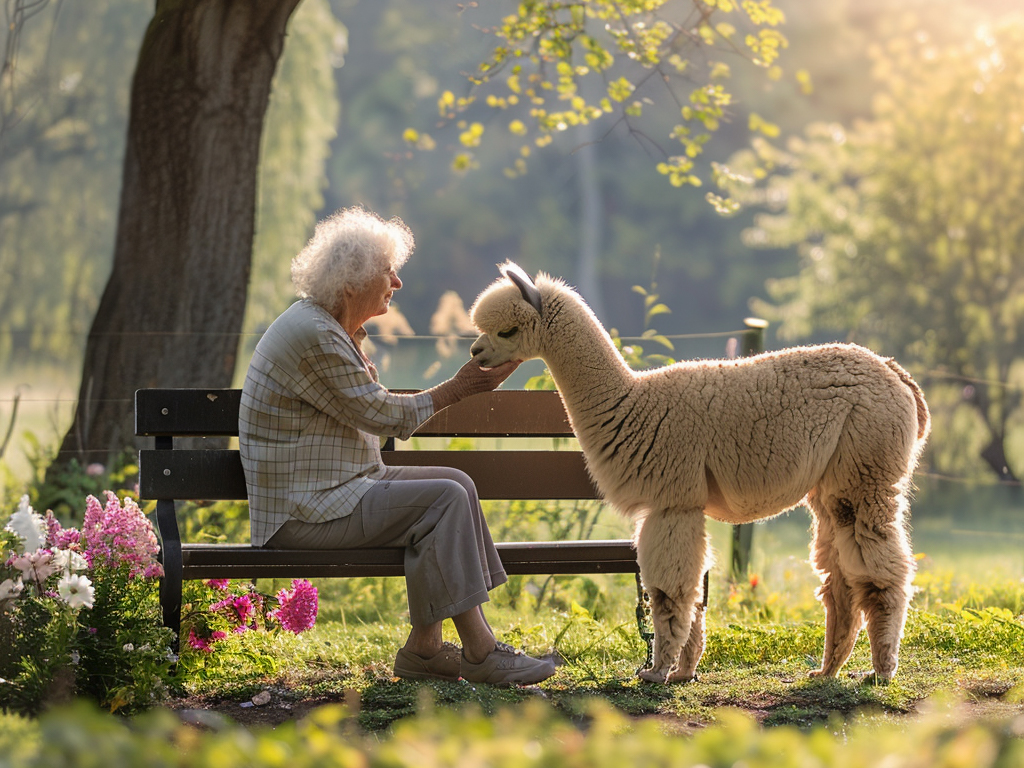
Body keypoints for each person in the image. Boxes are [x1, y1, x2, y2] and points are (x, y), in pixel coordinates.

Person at [238, 206, 555, 685]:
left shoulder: (329, 328)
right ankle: (480, 650)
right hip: (305, 514)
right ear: (351, 283)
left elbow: (369, 411)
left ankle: (425, 649)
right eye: (387, 271)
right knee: (444, 497)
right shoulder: (316, 335)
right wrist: (460, 387)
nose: (398, 283)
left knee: (455, 484)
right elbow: (383, 415)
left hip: (335, 493)